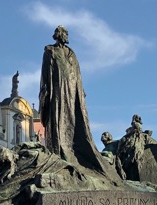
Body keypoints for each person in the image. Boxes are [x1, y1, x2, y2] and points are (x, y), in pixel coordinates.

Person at [39, 26, 117, 179]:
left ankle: (75, 151)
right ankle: (60, 150)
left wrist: (80, 91)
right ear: (59, 35)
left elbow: (78, 74)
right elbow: (45, 75)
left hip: (72, 91)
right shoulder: (50, 51)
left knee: (75, 119)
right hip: (57, 92)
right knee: (58, 118)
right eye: (65, 33)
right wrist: (45, 93)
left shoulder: (72, 53)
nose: (67, 36)